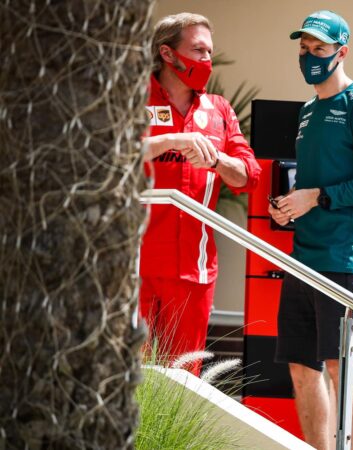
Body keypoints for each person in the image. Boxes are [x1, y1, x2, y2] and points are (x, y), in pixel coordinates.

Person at [268, 10, 353, 450]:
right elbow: (308, 182)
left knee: (342, 363)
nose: (309, 57)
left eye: (319, 49)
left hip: (344, 257)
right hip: (303, 254)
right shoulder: (308, 110)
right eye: (303, 49)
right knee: (302, 368)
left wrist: (317, 196)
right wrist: (287, 207)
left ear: (341, 52)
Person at [138, 13, 261, 374]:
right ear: (168, 53)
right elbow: (109, 155)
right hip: (133, 267)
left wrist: (217, 158)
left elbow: (248, 177)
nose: (206, 60)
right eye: (198, 50)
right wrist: (172, 140)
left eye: (210, 52)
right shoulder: (130, 99)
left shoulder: (219, 109)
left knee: (182, 380)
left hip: (194, 269)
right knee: (128, 380)